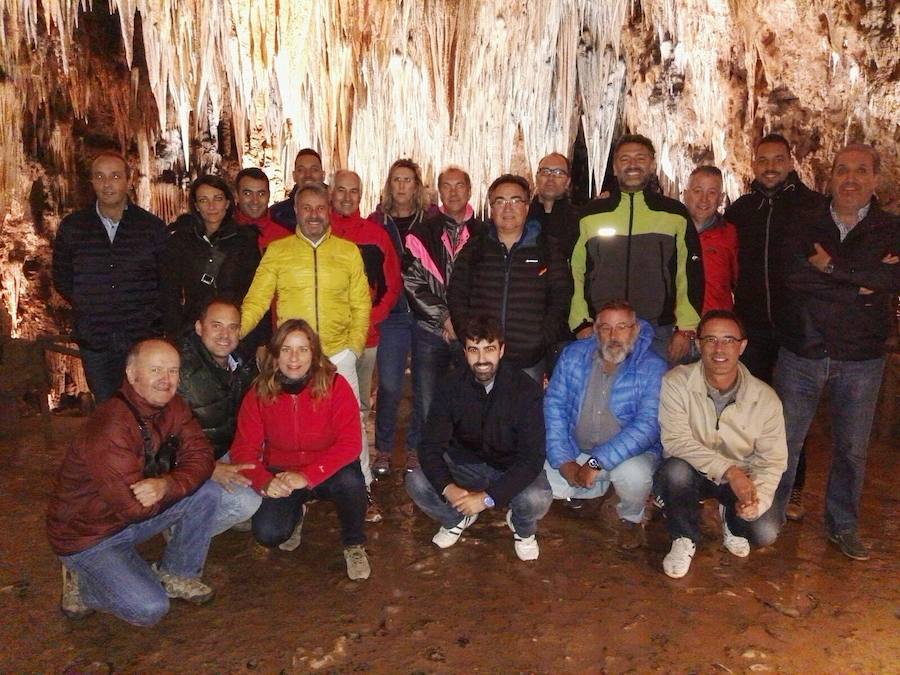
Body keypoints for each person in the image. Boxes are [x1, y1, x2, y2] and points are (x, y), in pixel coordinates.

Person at [772, 143, 899, 561]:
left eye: (860, 170)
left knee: (851, 449)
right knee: (785, 443)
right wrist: (860, 285)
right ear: (829, 176)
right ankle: (769, 515)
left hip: (861, 357)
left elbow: (890, 280)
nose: (850, 179)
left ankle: (842, 524)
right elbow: (794, 279)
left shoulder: (891, 228)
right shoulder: (804, 222)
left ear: (875, 178)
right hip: (803, 350)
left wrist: (829, 269)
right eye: (842, 170)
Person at [46, 339, 219, 625]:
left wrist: (167, 484)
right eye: (156, 370)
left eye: (173, 371)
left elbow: (202, 455)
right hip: (90, 535)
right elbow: (135, 508)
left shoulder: (172, 405)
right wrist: (169, 485)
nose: (166, 380)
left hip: (128, 517)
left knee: (208, 492)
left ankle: (177, 573)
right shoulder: (110, 427)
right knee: (149, 609)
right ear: (131, 374)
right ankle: (82, 581)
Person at [239, 182, 373, 502]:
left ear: (329, 211)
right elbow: (257, 300)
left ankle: (363, 487)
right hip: (294, 358)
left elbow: (361, 303)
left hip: (338, 352)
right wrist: (232, 335)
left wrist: (354, 347)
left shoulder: (347, 252)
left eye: (320, 208)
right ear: (295, 211)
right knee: (294, 423)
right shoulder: (279, 251)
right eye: (306, 208)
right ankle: (298, 488)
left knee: (352, 424)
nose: (314, 215)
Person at [725, 134, 826, 520]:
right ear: (753, 164)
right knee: (751, 409)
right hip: (753, 327)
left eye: (777, 159)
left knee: (791, 414)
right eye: (763, 160)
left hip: (798, 327)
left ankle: (792, 488)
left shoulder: (813, 207)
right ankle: (749, 481)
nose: (770, 167)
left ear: (790, 161)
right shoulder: (741, 210)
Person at [229, 320, 371, 580]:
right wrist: (264, 481)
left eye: (303, 349)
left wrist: (307, 476)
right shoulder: (259, 393)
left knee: (352, 482)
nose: (294, 358)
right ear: (275, 355)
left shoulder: (335, 386)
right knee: (268, 534)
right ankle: (296, 514)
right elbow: (243, 449)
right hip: (282, 472)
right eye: (286, 349)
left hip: (327, 468)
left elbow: (351, 444)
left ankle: (354, 544)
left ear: (314, 354)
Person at [406, 316, 552, 561]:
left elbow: (533, 457)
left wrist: (487, 498)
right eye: (474, 350)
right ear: (465, 352)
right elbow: (430, 445)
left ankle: (522, 527)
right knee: (416, 481)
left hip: (509, 467)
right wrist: (448, 487)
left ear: (502, 350)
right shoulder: (450, 386)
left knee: (537, 498)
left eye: (489, 349)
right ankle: (457, 517)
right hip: (465, 466)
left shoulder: (525, 390)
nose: (482, 359)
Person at [655, 310, 786, 578]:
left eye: (728, 340)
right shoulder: (676, 383)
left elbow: (772, 460)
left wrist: (754, 503)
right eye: (710, 339)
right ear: (698, 344)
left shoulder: (766, 398)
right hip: (694, 470)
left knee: (764, 531)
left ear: (743, 345)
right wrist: (731, 471)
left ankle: (733, 521)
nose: (719, 348)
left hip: (741, 477)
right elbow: (676, 440)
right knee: (674, 471)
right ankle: (683, 536)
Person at [569, 134, 704, 364]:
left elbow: (688, 272)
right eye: (625, 159)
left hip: (658, 329)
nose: (632, 164)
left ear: (652, 164)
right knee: (605, 397)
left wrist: (686, 328)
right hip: (603, 328)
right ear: (614, 167)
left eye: (640, 158)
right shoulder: (591, 215)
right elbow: (575, 270)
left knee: (655, 397)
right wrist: (581, 321)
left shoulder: (674, 214)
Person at [544, 300, 667, 549]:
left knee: (633, 476)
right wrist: (564, 460)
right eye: (606, 328)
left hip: (628, 457)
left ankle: (631, 517)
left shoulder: (653, 366)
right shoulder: (573, 355)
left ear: (635, 330)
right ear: (596, 330)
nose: (613, 335)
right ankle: (592, 491)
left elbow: (647, 426)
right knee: (535, 478)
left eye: (622, 327)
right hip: (578, 451)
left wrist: (596, 462)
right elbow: (555, 406)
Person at [52, 151, 168, 403]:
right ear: (92, 182)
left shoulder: (151, 228)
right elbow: (61, 277)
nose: (107, 184)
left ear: (129, 180)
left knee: (144, 403)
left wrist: (152, 317)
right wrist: (89, 302)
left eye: (115, 176)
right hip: (96, 336)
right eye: (100, 177)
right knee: (108, 407)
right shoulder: (73, 227)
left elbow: (165, 280)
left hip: (140, 335)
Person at [390, 165, 483, 476]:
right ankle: (423, 451)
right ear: (439, 192)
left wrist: (463, 324)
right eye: (447, 186)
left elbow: (488, 285)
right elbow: (412, 281)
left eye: (460, 185)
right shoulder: (423, 232)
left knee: (470, 395)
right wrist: (444, 318)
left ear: (469, 190)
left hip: (471, 334)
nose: (453, 192)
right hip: (430, 330)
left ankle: (462, 453)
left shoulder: (485, 233)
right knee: (427, 397)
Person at [447, 174, 571, 382]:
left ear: (527, 206)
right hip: (482, 355)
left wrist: (541, 340)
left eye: (515, 200)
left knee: (524, 413)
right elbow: (457, 294)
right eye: (500, 201)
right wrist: (467, 335)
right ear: (491, 208)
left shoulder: (546, 249)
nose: (508, 208)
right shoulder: (476, 249)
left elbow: (560, 298)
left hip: (528, 357)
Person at [329, 168, 402, 520]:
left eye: (353, 192)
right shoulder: (319, 231)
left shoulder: (375, 235)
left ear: (361, 196)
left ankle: (360, 481)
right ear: (331, 193)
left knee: (358, 412)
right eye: (340, 190)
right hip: (325, 344)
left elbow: (391, 285)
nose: (346, 197)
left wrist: (368, 320)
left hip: (365, 341)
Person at [368, 159, 439, 473]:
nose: (401, 186)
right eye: (396, 179)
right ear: (388, 184)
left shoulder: (432, 219)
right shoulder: (376, 221)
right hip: (393, 312)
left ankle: (414, 448)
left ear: (417, 185)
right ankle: (383, 448)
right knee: (391, 385)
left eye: (407, 180)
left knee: (425, 386)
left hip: (424, 311)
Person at [177, 299, 261, 534]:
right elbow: (160, 440)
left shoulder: (242, 363)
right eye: (216, 325)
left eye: (233, 327)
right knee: (246, 502)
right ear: (199, 327)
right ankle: (180, 531)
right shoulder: (179, 370)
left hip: (223, 450)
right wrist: (208, 468)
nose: (225, 334)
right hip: (189, 463)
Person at [160, 175, 260, 337]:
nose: (212, 206)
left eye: (218, 199)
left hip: (234, 329)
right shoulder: (180, 241)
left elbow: (256, 292)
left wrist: (255, 337)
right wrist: (176, 333)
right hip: (193, 329)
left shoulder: (244, 241)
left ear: (227, 203)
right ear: (196, 206)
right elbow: (169, 293)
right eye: (204, 200)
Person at [683, 166, 738, 314]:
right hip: (677, 327)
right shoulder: (670, 231)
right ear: (686, 195)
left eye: (712, 193)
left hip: (716, 324)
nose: (704, 199)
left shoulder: (730, 235)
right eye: (697, 191)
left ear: (721, 198)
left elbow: (741, 282)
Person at [527, 152, 580, 262]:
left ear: (568, 182)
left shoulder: (580, 220)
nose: (551, 177)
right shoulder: (522, 217)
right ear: (536, 177)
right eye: (545, 172)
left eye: (558, 173)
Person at [233, 167, 291, 252]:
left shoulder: (285, 238)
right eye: (248, 194)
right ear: (236, 196)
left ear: (269, 196)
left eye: (261, 194)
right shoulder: (222, 234)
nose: (255, 201)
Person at [270, 147, 327, 229]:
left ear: (323, 175)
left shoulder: (337, 210)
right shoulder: (277, 214)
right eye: (301, 170)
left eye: (314, 170)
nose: (308, 175)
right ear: (294, 176)